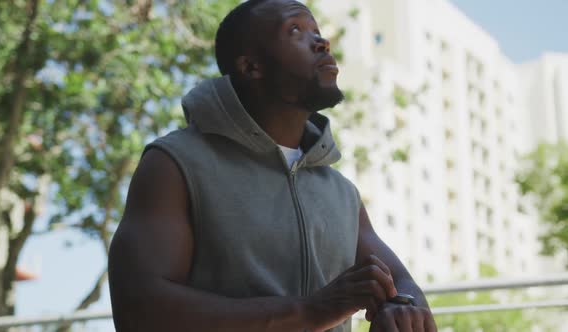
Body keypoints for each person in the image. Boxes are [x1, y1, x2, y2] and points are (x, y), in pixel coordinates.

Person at [108, 0, 437, 331]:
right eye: (295, 30)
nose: (322, 42)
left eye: (317, 31)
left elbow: (403, 284)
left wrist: (400, 307)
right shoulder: (175, 164)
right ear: (252, 67)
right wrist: (310, 312)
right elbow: (139, 309)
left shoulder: (341, 191)